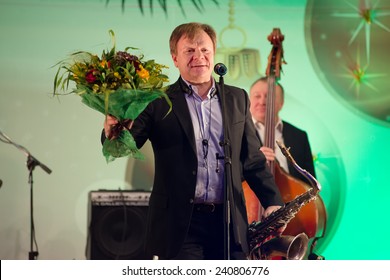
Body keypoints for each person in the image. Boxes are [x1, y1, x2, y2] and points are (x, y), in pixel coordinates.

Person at [103, 22, 284, 260]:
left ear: (213, 54)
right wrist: (114, 130)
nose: (198, 56)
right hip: (179, 225)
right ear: (175, 58)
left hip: (228, 223)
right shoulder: (157, 101)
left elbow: (252, 160)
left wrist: (272, 201)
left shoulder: (237, 99)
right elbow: (123, 147)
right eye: (189, 51)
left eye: (205, 50)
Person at [249, 77, 316, 185]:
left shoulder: (299, 136)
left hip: (293, 199)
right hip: (251, 200)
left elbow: (310, 182)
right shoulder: (236, 133)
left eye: (269, 97)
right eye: (257, 96)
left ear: (282, 103)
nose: (262, 101)